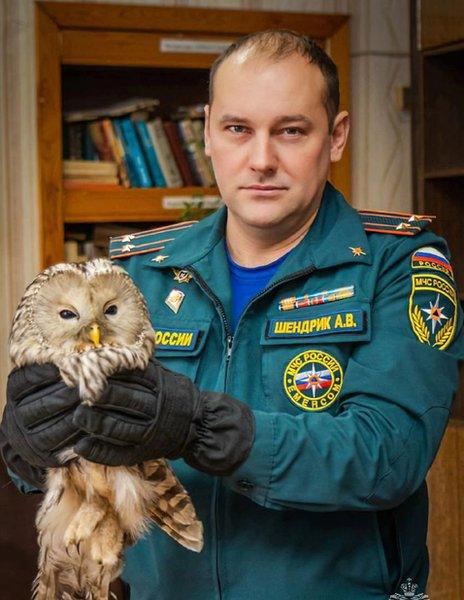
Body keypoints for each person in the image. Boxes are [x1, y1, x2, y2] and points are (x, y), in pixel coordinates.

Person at [1, 30, 463, 600]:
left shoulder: (397, 263)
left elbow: (388, 455)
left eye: (291, 130)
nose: (262, 159)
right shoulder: (137, 275)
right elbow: (77, 453)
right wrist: (29, 447)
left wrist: (198, 425)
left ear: (336, 136)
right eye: (238, 129)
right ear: (209, 130)